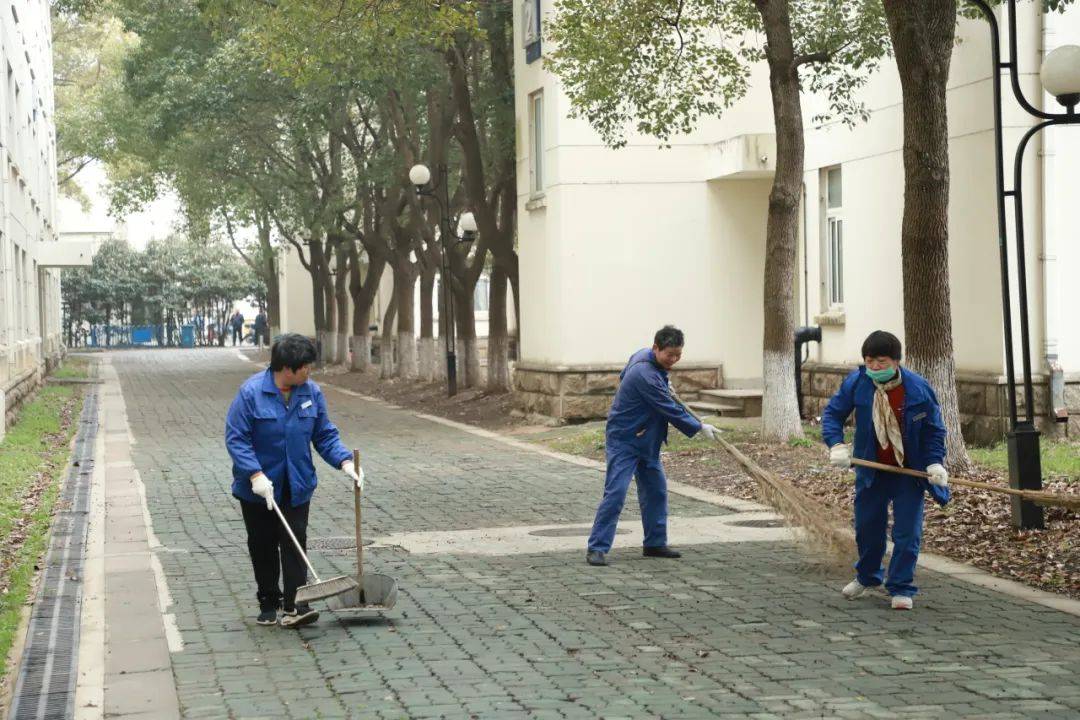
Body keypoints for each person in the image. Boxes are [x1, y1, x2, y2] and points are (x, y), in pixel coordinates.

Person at [225, 333, 364, 627]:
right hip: (258, 488)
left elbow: (324, 434)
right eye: (306, 367)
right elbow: (237, 439)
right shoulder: (251, 394)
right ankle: (268, 601)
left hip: (297, 483)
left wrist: (344, 461)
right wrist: (255, 473)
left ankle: (295, 604)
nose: (310, 372)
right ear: (287, 368)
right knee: (262, 544)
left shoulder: (310, 393)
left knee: (294, 541)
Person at [821, 330, 950, 611]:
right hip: (872, 471)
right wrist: (837, 445)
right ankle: (867, 577)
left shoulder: (917, 389)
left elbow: (933, 430)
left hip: (909, 473)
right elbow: (833, 414)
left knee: (907, 532)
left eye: (881, 361)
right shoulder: (857, 383)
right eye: (870, 361)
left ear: (896, 361)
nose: (875, 368)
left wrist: (934, 462)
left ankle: (901, 587)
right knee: (868, 528)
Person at [586, 325, 721, 566]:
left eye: (678, 355)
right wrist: (699, 427)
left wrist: (663, 380)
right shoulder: (644, 375)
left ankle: (654, 543)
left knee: (656, 492)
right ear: (656, 348)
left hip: (647, 439)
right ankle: (597, 547)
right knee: (616, 493)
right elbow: (668, 409)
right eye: (670, 355)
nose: (674, 360)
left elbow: (625, 374)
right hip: (625, 440)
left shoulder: (644, 358)